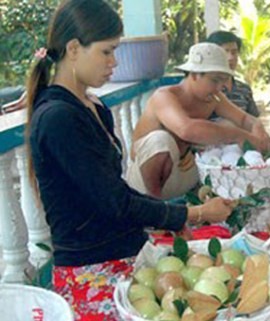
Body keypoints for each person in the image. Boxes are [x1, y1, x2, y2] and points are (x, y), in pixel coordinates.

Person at [26, 1, 233, 319]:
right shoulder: (58, 118)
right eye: (107, 51)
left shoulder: (91, 105)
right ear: (73, 49)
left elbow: (113, 188)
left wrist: (172, 217)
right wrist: (193, 213)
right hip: (90, 268)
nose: (114, 62)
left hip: (123, 248)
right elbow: (115, 202)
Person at [126, 42, 270, 200]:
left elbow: (244, 119)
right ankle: (156, 211)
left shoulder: (214, 98)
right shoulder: (164, 96)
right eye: (215, 80)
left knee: (227, 126)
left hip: (181, 175)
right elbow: (187, 129)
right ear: (194, 74)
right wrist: (239, 135)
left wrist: (257, 127)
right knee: (161, 140)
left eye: (223, 81)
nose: (220, 87)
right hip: (143, 185)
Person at [206, 30, 260, 117]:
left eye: (234, 52)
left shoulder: (244, 89)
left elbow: (254, 121)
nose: (231, 57)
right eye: (225, 52)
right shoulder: (205, 90)